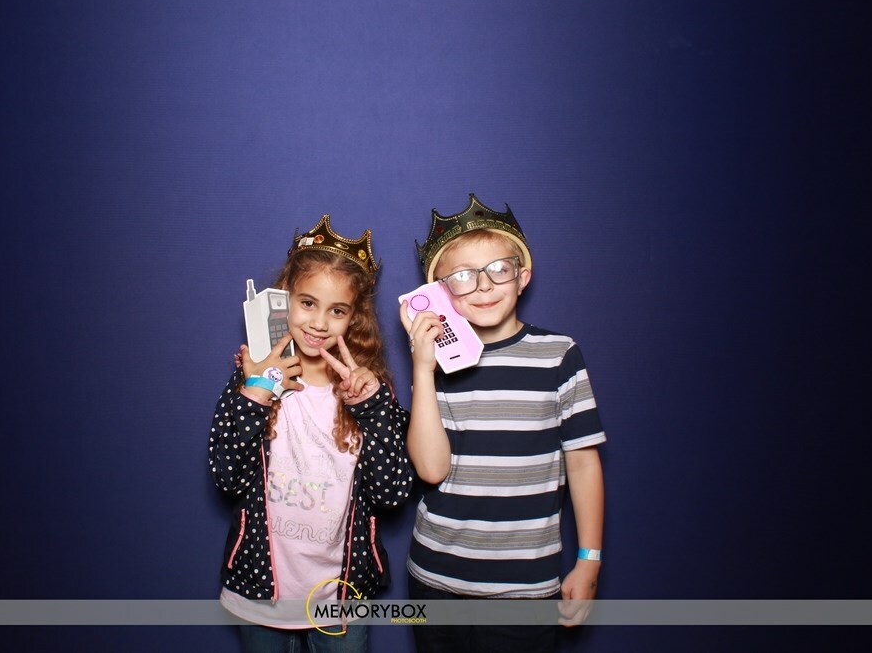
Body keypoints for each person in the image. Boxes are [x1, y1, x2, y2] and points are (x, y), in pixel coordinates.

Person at [400, 194, 606, 653]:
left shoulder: (559, 355)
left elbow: (583, 463)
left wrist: (589, 560)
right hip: (436, 579)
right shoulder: (436, 366)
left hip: (524, 587)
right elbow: (430, 469)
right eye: (462, 276)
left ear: (522, 275)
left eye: (499, 269)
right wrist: (422, 368)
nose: (483, 286)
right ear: (439, 293)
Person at [209, 215, 413, 653]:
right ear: (284, 298)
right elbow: (226, 477)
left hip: (340, 598)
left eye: (337, 310)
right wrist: (256, 392)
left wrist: (372, 407)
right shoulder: (252, 378)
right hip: (260, 593)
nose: (319, 323)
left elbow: (393, 493)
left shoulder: (369, 391)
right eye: (307, 303)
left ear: (354, 318)